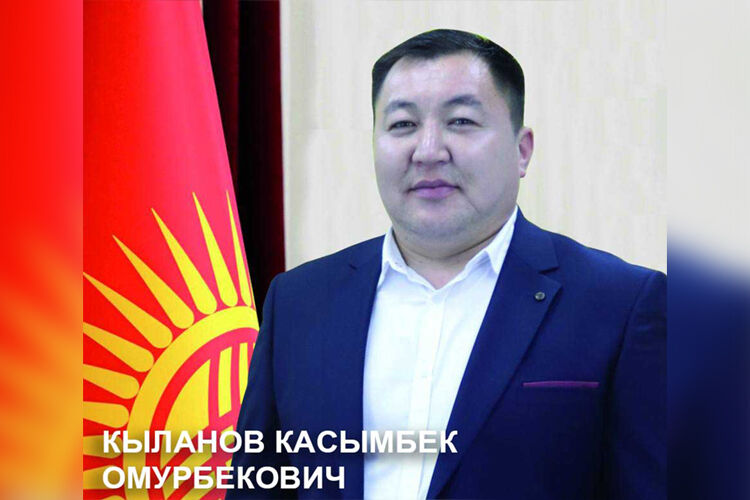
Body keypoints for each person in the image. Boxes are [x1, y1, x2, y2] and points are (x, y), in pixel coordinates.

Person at [229, 29, 665, 499]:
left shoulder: (620, 305)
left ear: (522, 151)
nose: (429, 151)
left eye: (460, 121)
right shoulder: (299, 302)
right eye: (402, 125)